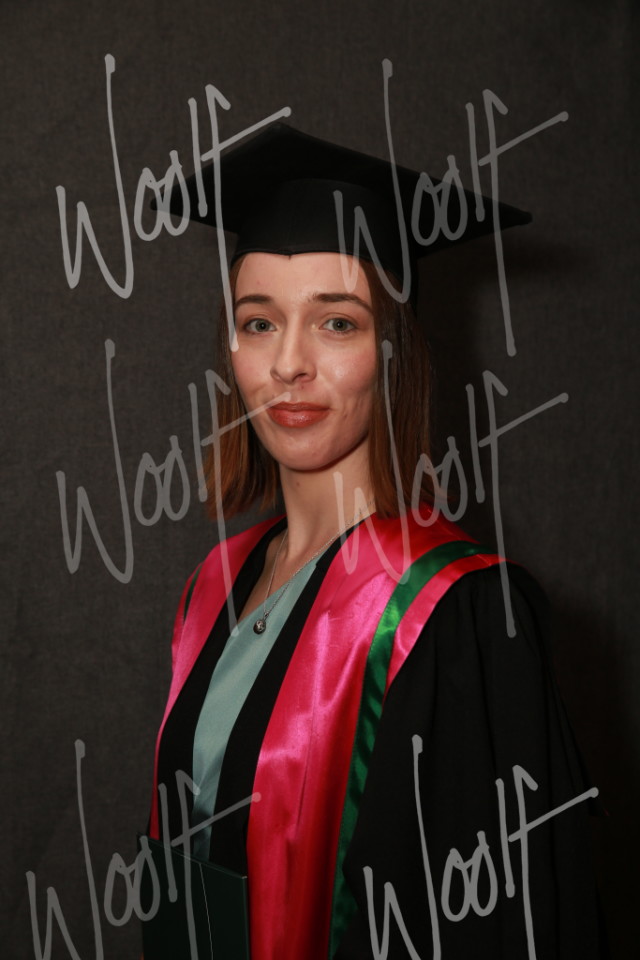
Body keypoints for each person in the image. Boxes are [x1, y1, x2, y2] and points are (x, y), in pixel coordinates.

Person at [142, 124, 605, 959]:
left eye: (337, 323)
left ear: (393, 351)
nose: (288, 364)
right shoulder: (214, 583)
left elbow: (506, 925)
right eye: (258, 322)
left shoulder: (458, 616)